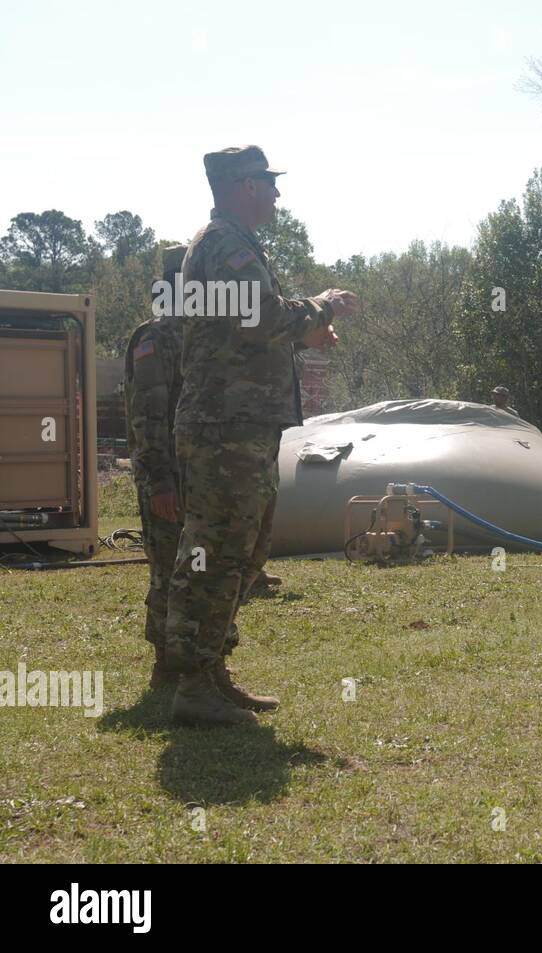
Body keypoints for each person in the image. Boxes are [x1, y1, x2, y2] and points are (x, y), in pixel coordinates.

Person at [164, 145, 358, 726]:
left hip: (237, 427)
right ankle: (193, 684)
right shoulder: (224, 242)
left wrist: (305, 332)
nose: (277, 193)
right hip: (224, 429)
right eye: (268, 183)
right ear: (243, 185)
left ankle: (211, 672)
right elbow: (262, 318)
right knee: (217, 549)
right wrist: (322, 307)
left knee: (242, 549)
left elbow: (250, 326)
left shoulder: (229, 243)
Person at [125, 245, 187, 688]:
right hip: (169, 478)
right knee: (168, 567)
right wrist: (161, 481)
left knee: (201, 567)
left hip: (202, 475)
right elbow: (148, 416)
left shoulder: (201, 335)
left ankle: (200, 662)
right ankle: (167, 663)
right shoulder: (156, 338)